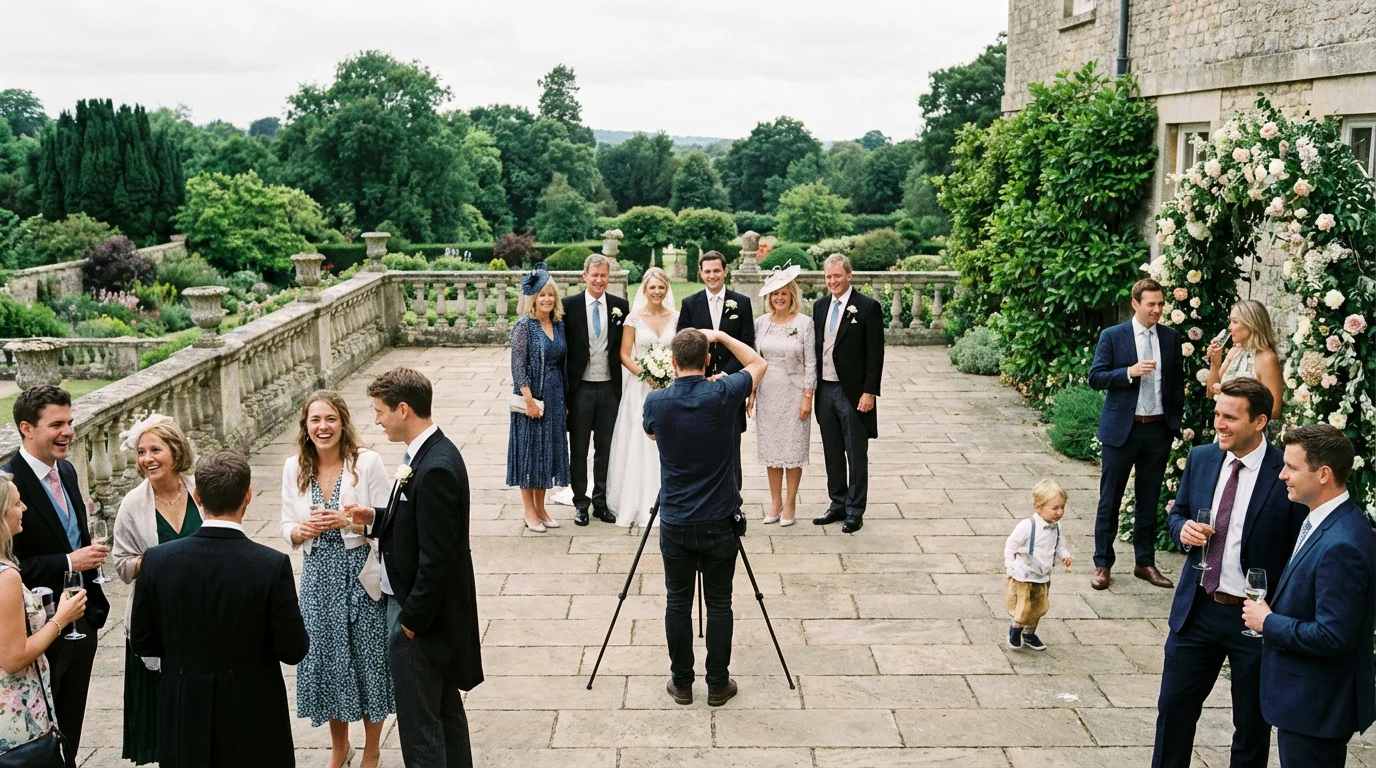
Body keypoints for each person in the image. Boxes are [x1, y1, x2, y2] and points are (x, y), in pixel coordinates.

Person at [1152, 377, 1307, 768]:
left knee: (1252, 728)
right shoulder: (1203, 457)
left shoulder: (1283, 473)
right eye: (1217, 414)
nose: (1218, 424)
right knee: (1173, 713)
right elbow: (1179, 513)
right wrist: (1182, 530)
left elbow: (1299, 549)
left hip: (1252, 617)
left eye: (1229, 418)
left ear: (1259, 422)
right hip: (1197, 607)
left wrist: (1276, 614)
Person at [130, 451, 309, 768]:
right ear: (248, 496)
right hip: (253, 714)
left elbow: (143, 640)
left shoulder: (157, 560)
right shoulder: (270, 565)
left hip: (184, 709)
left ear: (197, 497)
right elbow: (293, 648)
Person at [349, 367, 483, 768]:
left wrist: (410, 621)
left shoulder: (436, 467)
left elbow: (438, 558)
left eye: (380, 411)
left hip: (419, 621)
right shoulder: (425, 454)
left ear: (403, 409)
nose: (377, 420)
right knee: (444, 714)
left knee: (420, 729)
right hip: (423, 620)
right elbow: (418, 523)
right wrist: (373, 517)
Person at [644, 328, 767, 707]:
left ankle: (681, 683)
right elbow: (758, 362)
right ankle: (717, 683)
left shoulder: (656, 402)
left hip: (677, 519)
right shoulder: (723, 392)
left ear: (673, 363)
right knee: (719, 603)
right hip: (719, 519)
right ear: (708, 361)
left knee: (677, 602)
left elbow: (652, 436)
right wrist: (723, 336)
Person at [1243, 424, 1376, 768]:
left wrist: (1268, 622)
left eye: (1291, 467)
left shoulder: (1342, 543)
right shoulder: (1325, 521)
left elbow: (1333, 636)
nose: (1281, 475)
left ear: (1324, 474)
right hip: (1308, 704)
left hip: (1317, 707)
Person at [280, 391, 393, 768]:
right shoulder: (294, 466)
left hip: (359, 572)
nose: (322, 427)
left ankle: (373, 749)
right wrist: (300, 530)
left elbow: (386, 520)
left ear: (342, 422)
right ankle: (340, 746)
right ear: (305, 426)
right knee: (327, 662)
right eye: (315, 420)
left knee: (368, 659)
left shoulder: (367, 462)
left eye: (330, 419)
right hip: (317, 578)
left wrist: (350, 521)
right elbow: (285, 525)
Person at [1, 385, 110, 767]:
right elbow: (8, 565)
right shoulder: (7, 485)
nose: (68, 432)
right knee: (41, 738)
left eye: (70, 422)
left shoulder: (66, 469)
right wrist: (68, 561)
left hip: (82, 620)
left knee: (71, 727)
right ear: (27, 428)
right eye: (57, 424)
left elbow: (71, 534)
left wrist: (86, 556)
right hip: (36, 630)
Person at [110, 414, 201, 766]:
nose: (147, 458)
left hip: (204, 615)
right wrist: (155, 562)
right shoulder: (133, 504)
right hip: (157, 620)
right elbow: (121, 564)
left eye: (155, 450)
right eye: (141, 452)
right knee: (165, 721)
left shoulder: (200, 491)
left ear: (175, 452)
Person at [1087, 277, 1183, 590]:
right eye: (1151, 304)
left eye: (1160, 304)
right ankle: (1102, 564)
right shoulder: (1113, 336)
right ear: (1135, 304)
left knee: (1148, 499)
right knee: (1109, 500)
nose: (1157, 310)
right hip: (1121, 431)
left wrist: (1173, 424)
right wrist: (1129, 372)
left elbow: (1177, 384)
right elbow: (1096, 377)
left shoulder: (1170, 337)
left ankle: (1145, 563)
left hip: (1157, 430)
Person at [0, 471, 87, 758]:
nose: (23, 508)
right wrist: (61, 618)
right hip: (18, 723)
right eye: (16, 504)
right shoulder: (6, 577)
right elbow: (13, 658)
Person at [811, 253, 884, 534]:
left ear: (849, 276)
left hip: (853, 393)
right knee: (832, 452)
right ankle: (837, 502)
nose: (832, 281)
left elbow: (875, 355)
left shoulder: (867, 307)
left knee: (856, 452)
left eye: (837, 276)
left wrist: (869, 392)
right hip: (825, 390)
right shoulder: (819, 307)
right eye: (828, 277)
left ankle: (855, 510)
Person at [562, 253, 631, 526]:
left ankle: (600, 502)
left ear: (608, 277)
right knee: (578, 449)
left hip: (610, 389)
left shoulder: (620, 306)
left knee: (606, 449)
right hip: (580, 390)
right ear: (585, 276)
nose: (599, 280)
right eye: (595, 275)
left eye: (604, 275)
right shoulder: (569, 306)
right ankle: (581, 502)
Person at [677, 250, 755, 488]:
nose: (712, 276)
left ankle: (734, 502)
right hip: (698, 386)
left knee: (731, 448)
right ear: (701, 273)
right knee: (701, 447)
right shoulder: (690, 304)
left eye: (716, 271)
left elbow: (747, 344)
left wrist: (727, 375)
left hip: (730, 386)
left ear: (725, 272)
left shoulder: (741, 303)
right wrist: (702, 376)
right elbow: (681, 345)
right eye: (707, 271)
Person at [607, 266, 678, 527]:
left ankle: (668, 498)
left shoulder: (676, 317)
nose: (657, 292)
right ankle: (637, 500)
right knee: (640, 441)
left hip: (670, 387)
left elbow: (679, 350)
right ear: (645, 290)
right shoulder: (633, 318)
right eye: (652, 288)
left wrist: (668, 372)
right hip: (641, 387)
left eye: (661, 287)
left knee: (668, 441)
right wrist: (646, 373)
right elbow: (625, 354)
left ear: (666, 289)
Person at [507, 263, 571, 532]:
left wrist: (564, 401)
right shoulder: (524, 326)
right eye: (542, 294)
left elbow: (563, 362)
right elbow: (518, 366)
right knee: (529, 452)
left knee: (547, 452)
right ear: (533, 298)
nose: (547, 299)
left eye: (551, 294)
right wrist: (530, 401)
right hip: (532, 396)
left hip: (555, 396)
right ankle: (528, 511)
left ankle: (542, 508)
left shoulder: (557, 324)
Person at [750, 264, 815, 526]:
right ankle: (775, 502)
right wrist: (751, 390)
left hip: (794, 392)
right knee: (771, 449)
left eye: (784, 293)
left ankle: (790, 503)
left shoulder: (804, 323)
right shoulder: (760, 323)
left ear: (792, 296)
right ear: (769, 297)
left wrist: (807, 396)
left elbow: (811, 363)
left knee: (793, 449)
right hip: (768, 392)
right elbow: (755, 359)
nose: (779, 298)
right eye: (775, 293)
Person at [1003, 479, 1073, 652]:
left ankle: (1029, 632)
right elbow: (1011, 545)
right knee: (1024, 606)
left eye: (1062, 507)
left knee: (1039, 606)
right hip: (1023, 574)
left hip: (1043, 575)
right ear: (1038, 507)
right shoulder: (1027, 526)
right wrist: (1009, 564)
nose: (1060, 512)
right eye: (1055, 508)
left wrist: (1064, 555)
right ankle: (1016, 628)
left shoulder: (1056, 527)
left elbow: (1059, 545)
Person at [1205, 299, 1284, 421]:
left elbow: (1274, 411)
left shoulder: (1267, 359)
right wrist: (1215, 363)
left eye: (1235, 322)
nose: (1229, 328)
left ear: (1251, 325)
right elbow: (1211, 393)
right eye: (1230, 321)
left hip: (1248, 434)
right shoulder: (1234, 352)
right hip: (1225, 428)